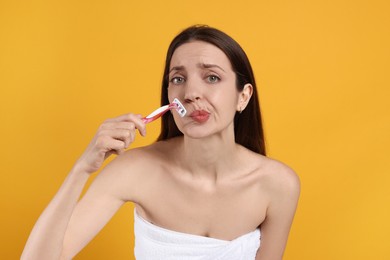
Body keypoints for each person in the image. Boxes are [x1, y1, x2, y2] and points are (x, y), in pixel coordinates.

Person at [22, 25, 300, 260]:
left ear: (243, 96)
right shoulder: (135, 170)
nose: (191, 92)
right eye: (178, 78)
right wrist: (81, 169)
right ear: (169, 96)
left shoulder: (278, 185)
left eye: (212, 77)